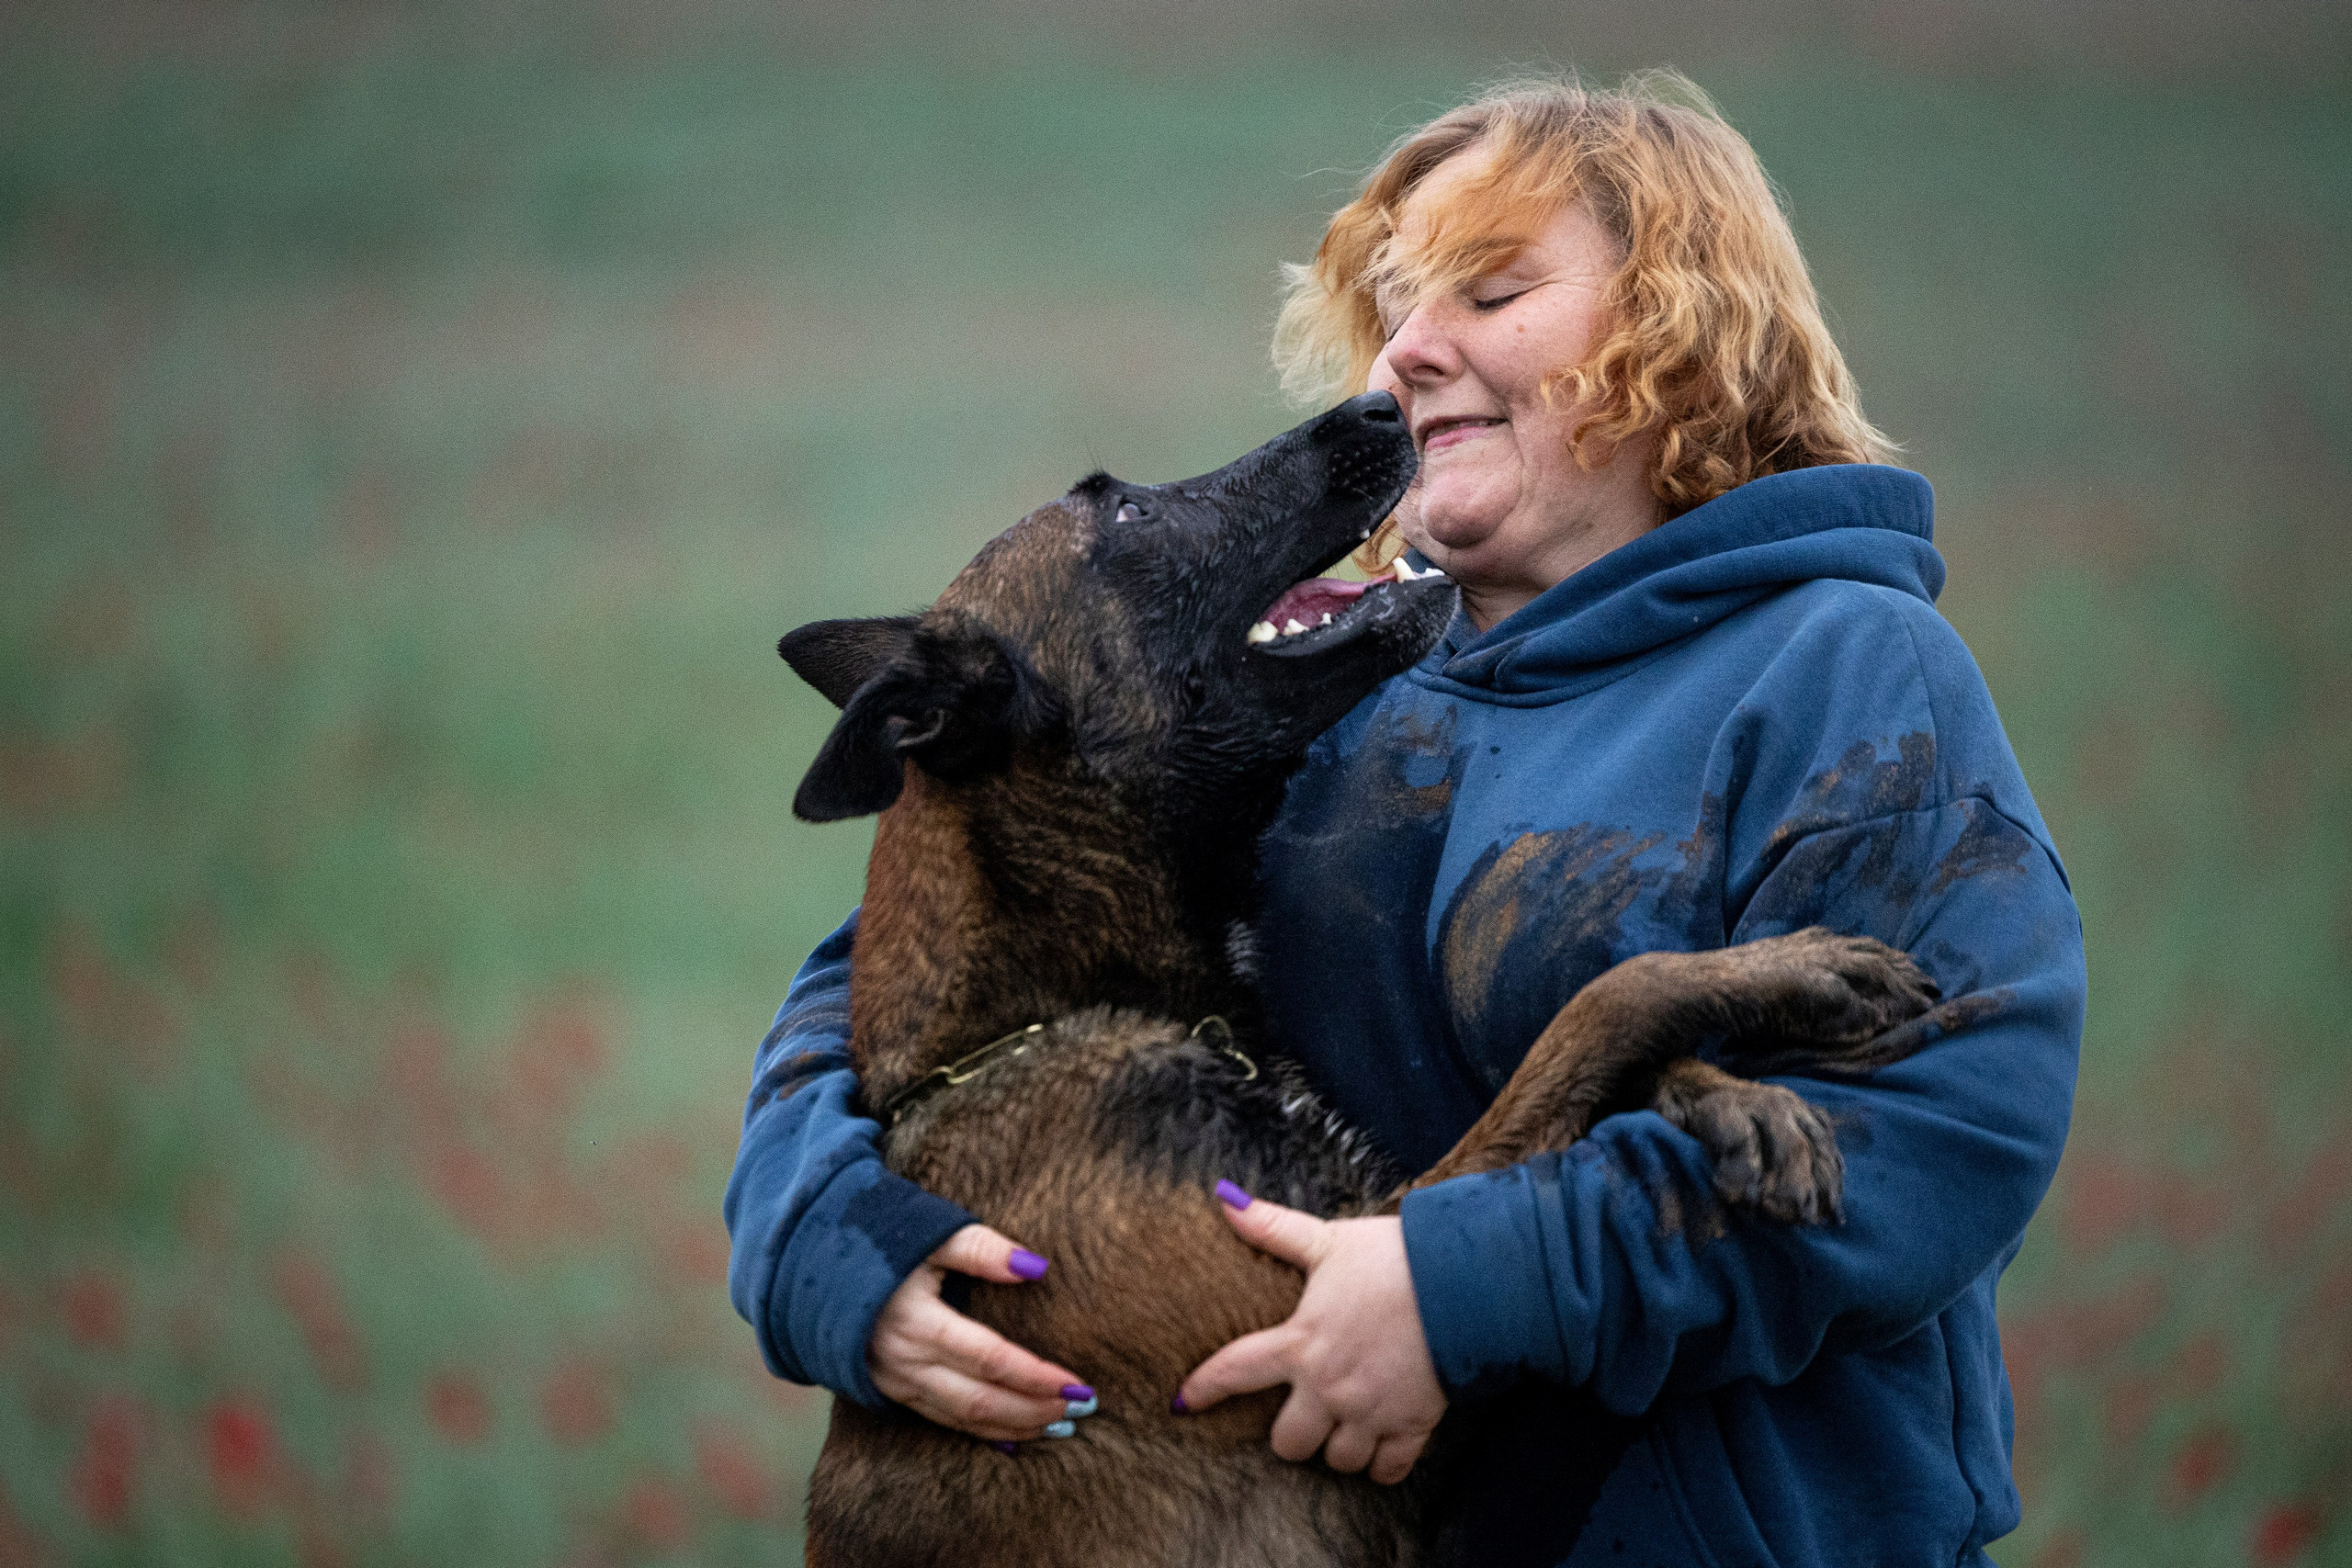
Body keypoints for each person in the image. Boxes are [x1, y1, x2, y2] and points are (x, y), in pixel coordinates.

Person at [725, 72, 2084, 1567]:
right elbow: (938, 947)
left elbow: (1947, 1125)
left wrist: (1466, 1287)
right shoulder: (1329, 682)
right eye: (1396, 309)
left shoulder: (1843, 667)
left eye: (1491, 292)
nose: (1408, 356)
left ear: (1688, 336)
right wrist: (825, 1235)